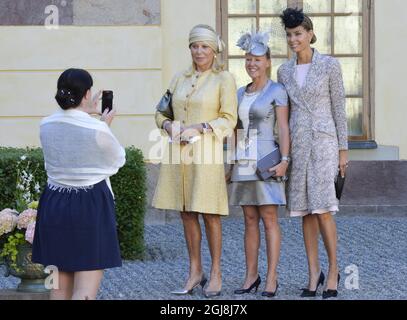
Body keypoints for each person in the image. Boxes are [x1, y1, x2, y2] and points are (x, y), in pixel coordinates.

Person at [152, 24, 237, 298]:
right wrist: (168, 128)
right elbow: (161, 113)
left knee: (210, 213)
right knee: (186, 212)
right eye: (194, 46)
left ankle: (216, 273)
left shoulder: (224, 79)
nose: (199, 51)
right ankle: (194, 271)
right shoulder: (178, 78)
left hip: (207, 154)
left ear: (214, 50)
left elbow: (229, 118)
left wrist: (199, 127)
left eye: (204, 46)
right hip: (178, 155)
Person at [32, 68, 125, 300]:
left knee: (57, 289)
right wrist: (103, 124)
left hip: (53, 204)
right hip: (90, 206)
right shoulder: (97, 128)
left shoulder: (46, 124)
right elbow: (116, 160)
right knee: (84, 292)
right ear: (87, 94)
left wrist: (88, 115)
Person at [278, 8, 349, 299]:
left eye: (298, 34)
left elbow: (339, 109)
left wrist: (343, 150)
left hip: (324, 144)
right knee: (305, 212)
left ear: (309, 34)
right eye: (289, 35)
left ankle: (333, 270)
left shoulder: (330, 65)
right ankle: (313, 273)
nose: (294, 40)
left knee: (322, 211)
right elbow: (284, 114)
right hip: (298, 146)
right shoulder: (283, 71)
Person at [227, 31, 290, 298]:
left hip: (267, 161)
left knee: (269, 219)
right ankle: (251, 275)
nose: (252, 63)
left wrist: (285, 160)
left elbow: (284, 128)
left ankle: (272, 277)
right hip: (243, 161)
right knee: (249, 219)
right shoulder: (240, 92)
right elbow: (234, 129)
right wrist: (230, 162)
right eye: (248, 59)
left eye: (257, 59)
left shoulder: (277, 90)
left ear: (267, 62)